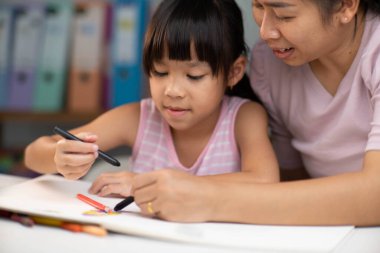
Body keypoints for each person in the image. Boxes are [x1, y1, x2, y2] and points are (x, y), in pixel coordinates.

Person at [127, 0, 380, 225]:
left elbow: (375, 196)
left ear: (346, 6)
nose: (265, 32)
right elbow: (290, 179)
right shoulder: (271, 62)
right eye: (259, 6)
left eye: (284, 15)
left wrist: (208, 198)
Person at [24, 0, 279, 200]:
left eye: (194, 75)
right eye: (160, 72)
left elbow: (265, 180)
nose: (173, 90)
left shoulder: (243, 117)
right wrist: (59, 157)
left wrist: (152, 183)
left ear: (233, 72)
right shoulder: (139, 117)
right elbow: (33, 154)